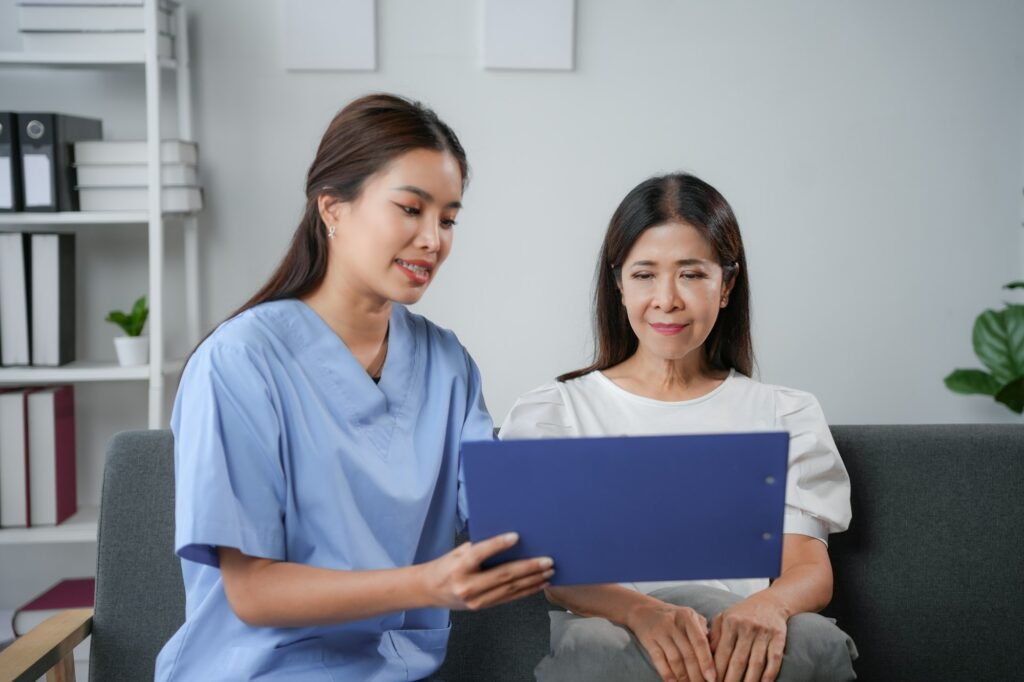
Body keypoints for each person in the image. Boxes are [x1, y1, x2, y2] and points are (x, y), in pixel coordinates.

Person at [155, 94, 554, 681]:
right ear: (333, 208)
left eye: (447, 219)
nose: (433, 240)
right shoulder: (239, 363)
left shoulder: (446, 364)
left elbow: (507, 520)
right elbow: (253, 592)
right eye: (410, 209)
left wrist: (639, 607)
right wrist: (427, 584)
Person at [500, 173, 856, 682]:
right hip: (615, 639)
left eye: (691, 274)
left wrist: (768, 608)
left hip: (741, 645)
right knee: (598, 648)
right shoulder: (555, 413)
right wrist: (644, 613)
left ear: (727, 285)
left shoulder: (784, 414)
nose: (667, 299)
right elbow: (560, 578)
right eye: (645, 275)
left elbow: (806, 565)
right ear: (619, 283)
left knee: (816, 643)